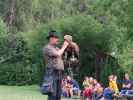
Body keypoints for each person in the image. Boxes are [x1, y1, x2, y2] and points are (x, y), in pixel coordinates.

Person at [42, 30, 72, 100]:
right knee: (52, 95)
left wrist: (69, 44)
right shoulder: (47, 48)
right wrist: (64, 46)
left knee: (58, 96)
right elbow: (58, 54)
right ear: (51, 39)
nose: (57, 39)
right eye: (56, 38)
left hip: (59, 73)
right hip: (52, 73)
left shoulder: (57, 48)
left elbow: (63, 54)